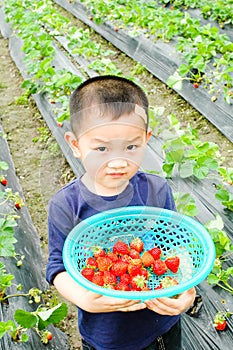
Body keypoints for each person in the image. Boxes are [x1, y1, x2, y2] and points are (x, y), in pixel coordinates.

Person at [46, 75, 196, 350]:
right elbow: (58, 267)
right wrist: (84, 297)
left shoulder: (157, 190)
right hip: (107, 333)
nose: (118, 161)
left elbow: (180, 248)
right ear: (76, 144)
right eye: (101, 148)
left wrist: (187, 290)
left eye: (131, 147)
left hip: (162, 322)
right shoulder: (66, 205)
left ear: (146, 139)